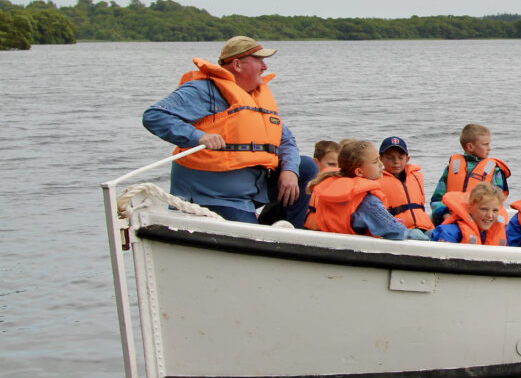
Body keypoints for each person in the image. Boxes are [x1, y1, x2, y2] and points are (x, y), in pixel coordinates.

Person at [142, 35, 310, 224]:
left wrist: (289, 171)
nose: (265, 67)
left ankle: (288, 233)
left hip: (248, 191)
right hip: (212, 197)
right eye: (259, 60)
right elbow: (155, 116)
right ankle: (260, 236)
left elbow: (285, 140)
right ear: (237, 65)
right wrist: (199, 136)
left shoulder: (256, 98)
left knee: (305, 167)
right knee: (251, 240)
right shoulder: (203, 90)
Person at [304, 140, 429, 240]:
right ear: (359, 171)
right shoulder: (369, 202)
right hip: (356, 250)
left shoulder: (333, 189)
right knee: (420, 235)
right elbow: (397, 232)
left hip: (337, 243)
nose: (381, 164)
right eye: (375, 162)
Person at [430, 123, 510, 224]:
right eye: (485, 144)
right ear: (470, 147)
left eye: (489, 144)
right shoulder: (452, 168)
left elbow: (498, 202)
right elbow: (436, 199)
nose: (489, 148)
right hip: (452, 219)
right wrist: (445, 215)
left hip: (480, 223)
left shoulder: (495, 171)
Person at [377, 136, 433, 231]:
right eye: (390, 158)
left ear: (407, 159)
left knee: (441, 236)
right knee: (419, 236)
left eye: (400, 157)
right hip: (400, 230)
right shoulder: (376, 181)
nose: (396, 162)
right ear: (380, 159)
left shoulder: (416, 177)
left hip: (425, 226)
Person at [429, 183, 508, 245]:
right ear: (470, 208)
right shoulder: (450, 231)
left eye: (495, 210)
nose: (490, 215)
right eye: (484, 209)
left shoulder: (500, 232)